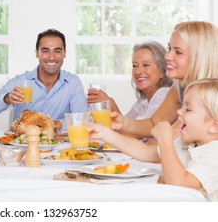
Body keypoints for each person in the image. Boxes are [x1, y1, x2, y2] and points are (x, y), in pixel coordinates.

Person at [87, 78, 218, 201]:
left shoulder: (214, 155)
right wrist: (105, 133)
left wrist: (165, 140)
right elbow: (144, 152)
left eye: (188, 109)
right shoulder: (188, 143)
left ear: (214, 125)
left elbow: (180, 184)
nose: (179, 112)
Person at [111, 21, 218, 138]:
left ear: (199, 57)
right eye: (169, 48)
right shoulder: (179, 88)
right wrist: (123, 122)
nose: (167, 56)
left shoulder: (211, 96)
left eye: (178, 52)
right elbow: (154, 124)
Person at [0, 28, 88, 131]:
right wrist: (7, 98)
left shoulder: (73, 83)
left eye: (57, 51)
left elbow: (82, 120)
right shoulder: (21, 81)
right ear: (37, 53)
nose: (51, 57)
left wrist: (53, 125)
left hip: (59, 145)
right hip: (23, 144)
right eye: (45, 51)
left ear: (64, 54)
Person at [88, 41, 173, 121]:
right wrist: (103, 108)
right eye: (134, 65)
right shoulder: (142, 102)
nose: (138, 71)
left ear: (162, 71)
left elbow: (138, 133)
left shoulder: (163, 95)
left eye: (146, 65)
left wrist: (111, 105)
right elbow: (125, 129)